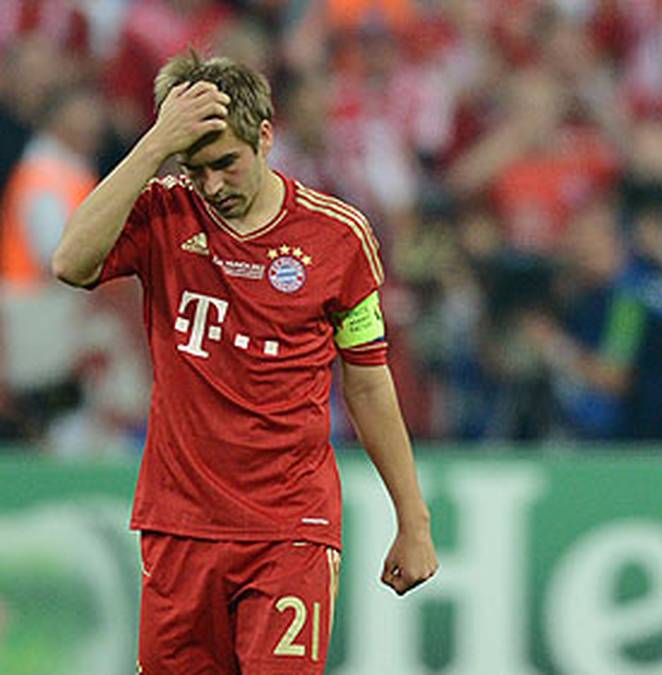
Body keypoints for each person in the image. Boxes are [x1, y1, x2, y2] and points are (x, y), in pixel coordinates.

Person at [51, 51, 437, 673]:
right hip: (179, 524)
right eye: (195, 168)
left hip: (290, 526)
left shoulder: (338, 238)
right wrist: (153, 148)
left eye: (227, 163)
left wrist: (412, 520)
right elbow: (70, 263)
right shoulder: (164, 212)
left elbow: (368, 385)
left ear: (265, 136)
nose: (213, 186)